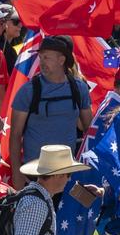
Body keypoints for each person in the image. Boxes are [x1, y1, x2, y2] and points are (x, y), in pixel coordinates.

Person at [8, 35, 92, 188]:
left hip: (66, 174)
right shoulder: (28, 91)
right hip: (34, 175)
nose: (41, 62)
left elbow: (89, 130)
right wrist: (16, 173)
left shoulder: (79, 89)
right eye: (40, 57)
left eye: (46, 57)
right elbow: (15, 135)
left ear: (62, 60)